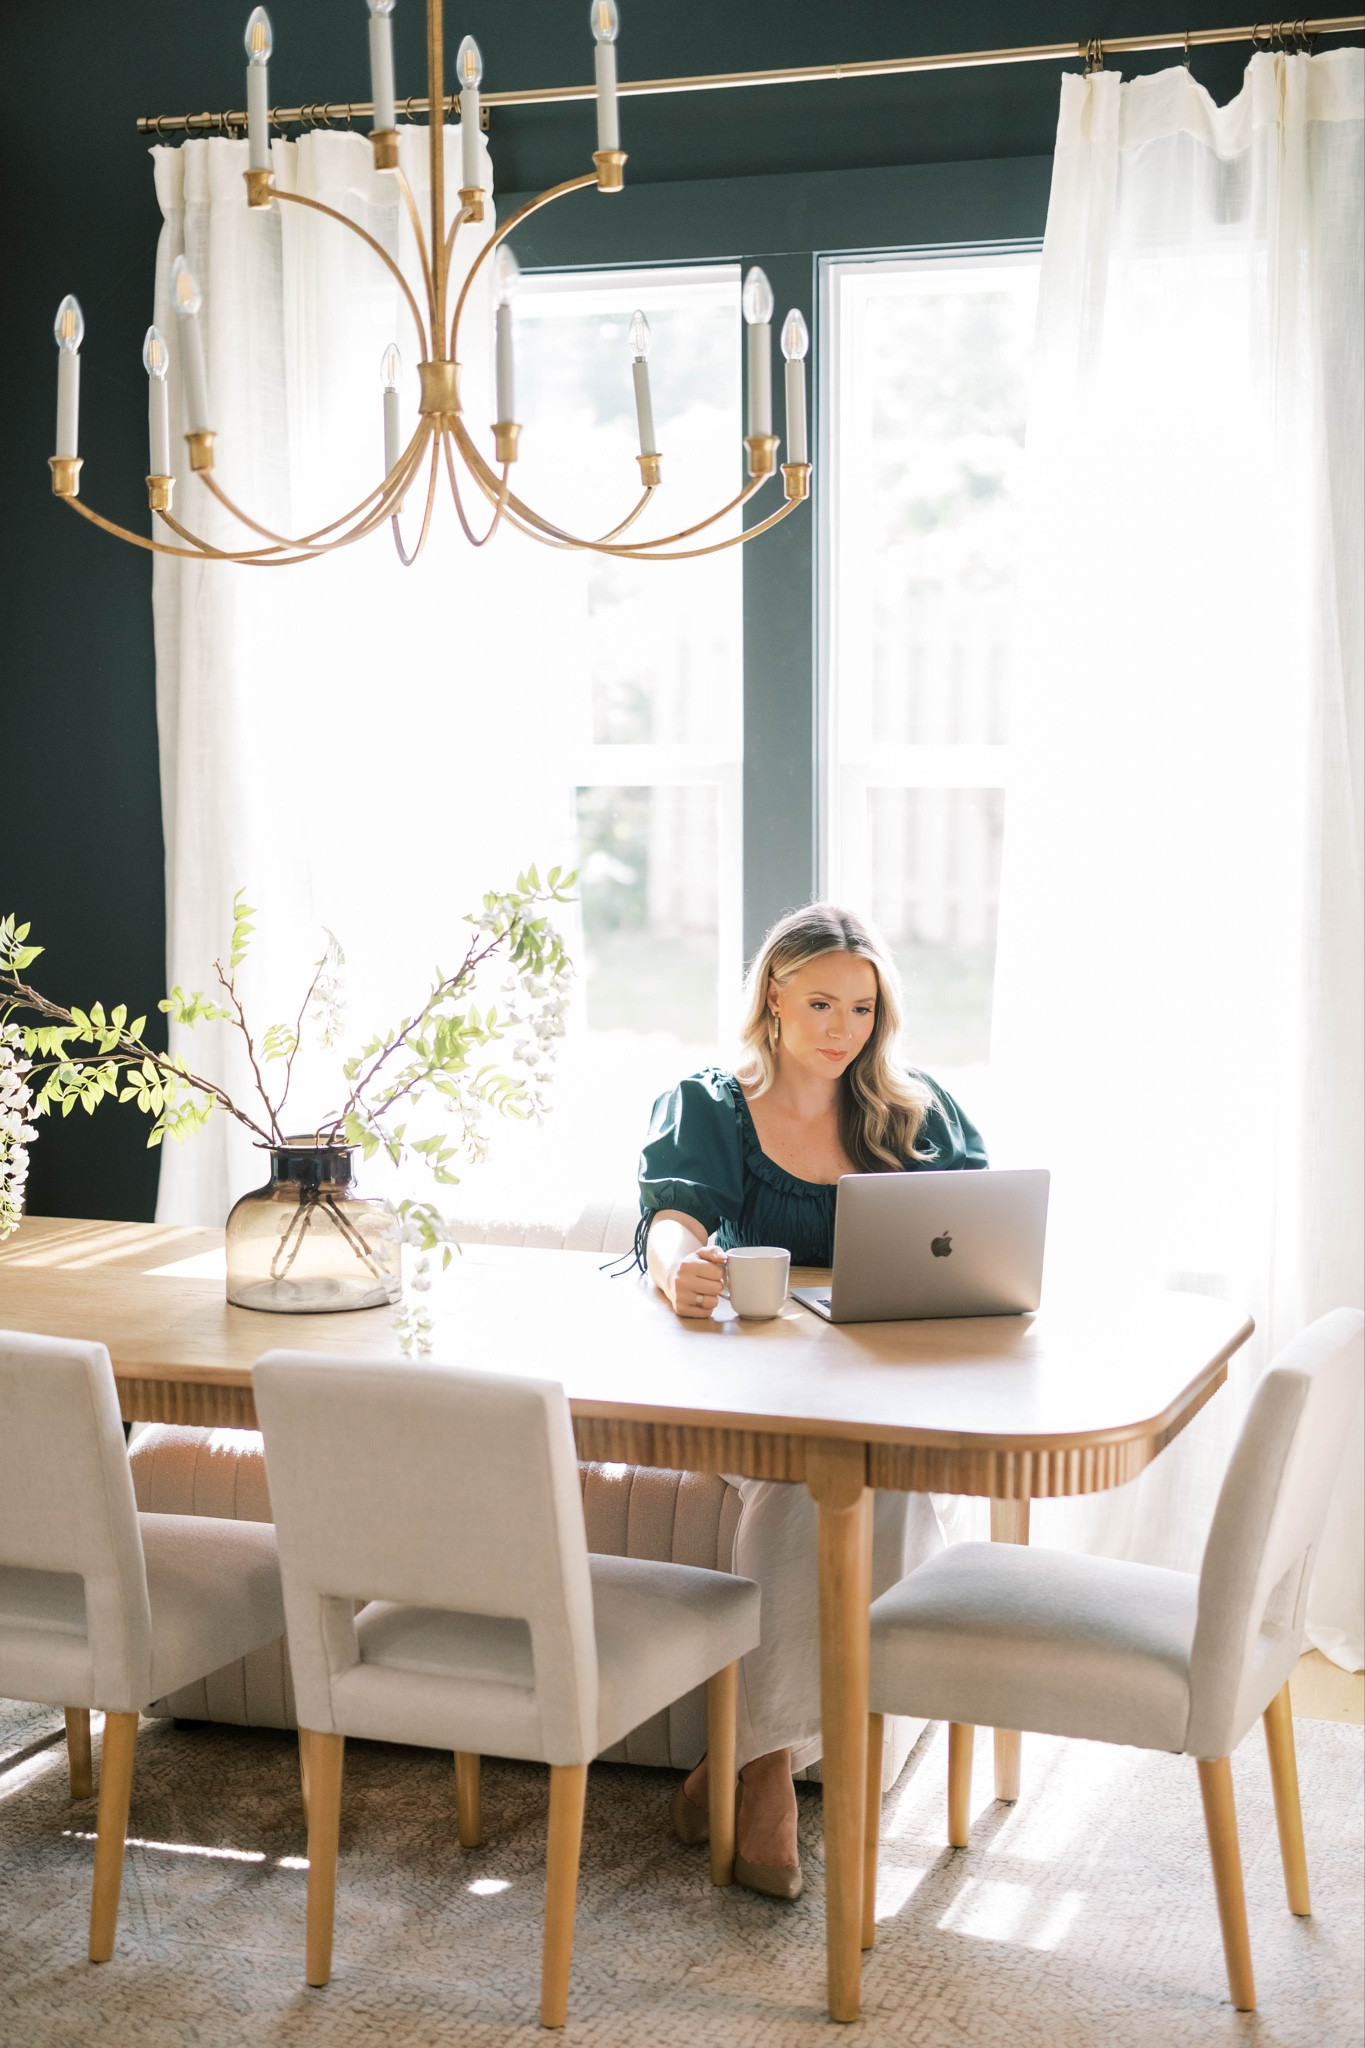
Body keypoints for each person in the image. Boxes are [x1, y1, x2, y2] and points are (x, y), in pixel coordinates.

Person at [637, 902, 986, 1900]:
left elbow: (979, 1232)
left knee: (891, 1480)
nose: (843, 1028)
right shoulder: (709, 1103)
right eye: (822, 1001)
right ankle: (769, 1782)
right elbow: (670, 1218)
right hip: (743, 1392)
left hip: (880, 1390)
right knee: (807, 1484)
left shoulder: (916, 1112)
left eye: (863, 1008)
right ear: (774, 997)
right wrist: (676, 1269)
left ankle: (739, 1759)